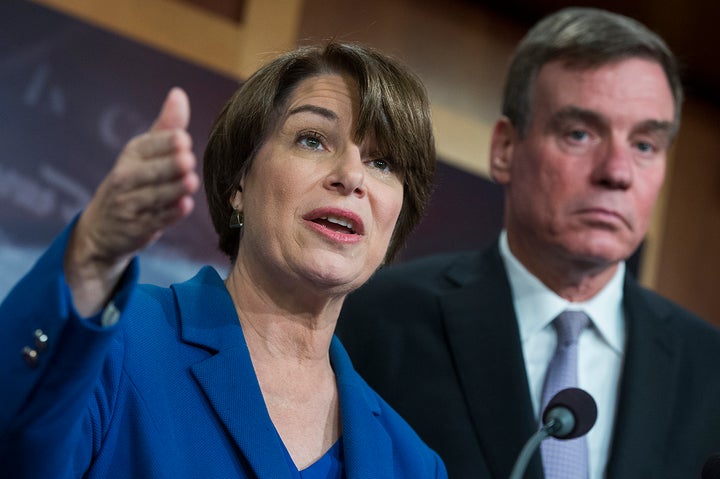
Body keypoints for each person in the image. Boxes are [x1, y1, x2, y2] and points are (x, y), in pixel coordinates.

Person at [0, 41, 447, 478]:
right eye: (312, 140)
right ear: (239, 184)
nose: (351, 177)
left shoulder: (413, 464)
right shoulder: (119, 342)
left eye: (383, 162)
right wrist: (92, 254)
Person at [336, 7, 720, 479]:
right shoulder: (375, 320)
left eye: (644, 145)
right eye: (580, 133)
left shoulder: (710, 371)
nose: (617, 173)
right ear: (504, 149)